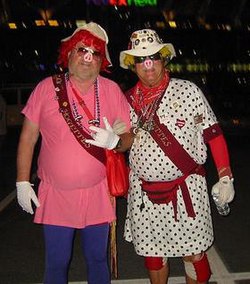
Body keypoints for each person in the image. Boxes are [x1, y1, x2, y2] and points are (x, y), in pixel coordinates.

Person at [86, 29, 235, 284]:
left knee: (194, 254)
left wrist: (225, 176)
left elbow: (213, 134)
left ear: (164, 58)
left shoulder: (188, 92)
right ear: (132, 66)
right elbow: (125, 140)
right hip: (143, 194)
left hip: (187, 188)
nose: (148, 66)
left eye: (154, 57)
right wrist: (114, 142)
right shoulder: (127, 100)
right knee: (153, 255)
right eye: (141, 60)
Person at [16, 22, 130, 284]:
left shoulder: (111, 90)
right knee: (56, 262)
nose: (87, 57)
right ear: (68, 53)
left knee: (97, 259)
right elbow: (28, 137)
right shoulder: (46, 88)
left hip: (98, 192)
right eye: (81, 49)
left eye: (95, 52)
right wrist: (22, 180)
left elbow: (129, 137)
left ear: (102, 60)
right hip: (56, 193)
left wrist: (116, 141)